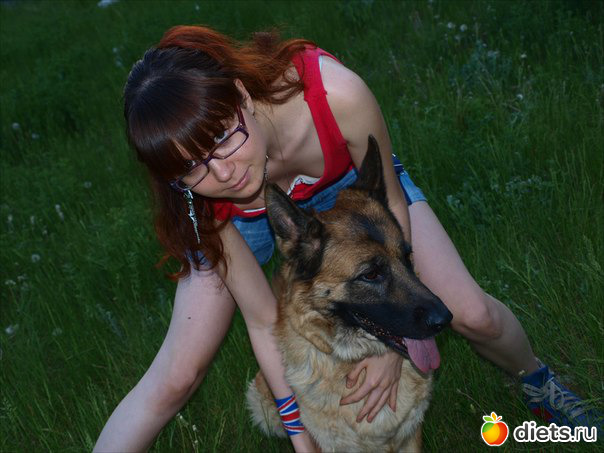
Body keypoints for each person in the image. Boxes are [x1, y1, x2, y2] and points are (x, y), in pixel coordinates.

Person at [94, 25, 601, 451]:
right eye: (193, 166)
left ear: (242, 97)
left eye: (224, 138)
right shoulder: (206, 194)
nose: (222, 171)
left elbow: (392, 209)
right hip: (241, 217)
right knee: (177, 377)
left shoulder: (336, 95)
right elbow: (264, 320)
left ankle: (540, 384)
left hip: (359, 192)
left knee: (473, 314)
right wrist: (301, 440)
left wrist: (393, 343)